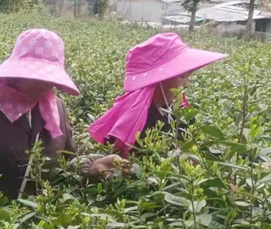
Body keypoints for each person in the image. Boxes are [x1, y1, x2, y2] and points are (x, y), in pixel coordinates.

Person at [0, 29, 119, 203]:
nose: (42, 85)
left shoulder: (55, 107)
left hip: (39, 225)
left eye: (47, 79)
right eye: (34, 76)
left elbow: (63, 164)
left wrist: (91, 167)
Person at [89, 33, 227, 155]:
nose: (187, 85)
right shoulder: (136, 122)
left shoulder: (177, 112)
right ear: (160, 80)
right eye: (183, 77)